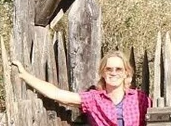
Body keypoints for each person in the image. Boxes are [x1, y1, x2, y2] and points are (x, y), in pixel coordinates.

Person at [11, 52, 149, 126]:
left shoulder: (139, 98)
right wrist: (25, 76)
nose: (113, 73)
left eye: (118, 69)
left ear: (126, 73)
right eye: (109, 69)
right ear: (103, 73)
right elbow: (55, 93)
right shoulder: (94, 99)